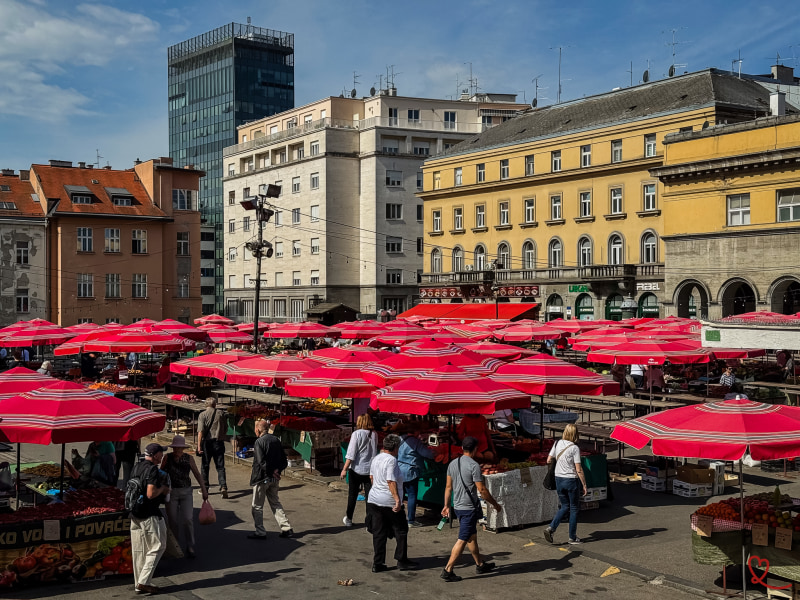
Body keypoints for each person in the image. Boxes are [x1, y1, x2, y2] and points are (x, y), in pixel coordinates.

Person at [440, 436, 502, 582]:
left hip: (458, 506)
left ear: (462, 448)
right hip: (469, 508)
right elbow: (482, 490)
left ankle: (480, 564)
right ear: (475, 449)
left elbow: (448, 487)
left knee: (471, 537)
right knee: (462, 539)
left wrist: (446, 505)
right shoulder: (474, 466)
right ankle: (448, 570)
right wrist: (495, 504)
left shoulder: (453, 463)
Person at [366, 434, 416, 572]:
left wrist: (377, 489)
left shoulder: (376, 458)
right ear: (395, 447)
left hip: (374, 499)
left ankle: (378, 562)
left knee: (379, 532)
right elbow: (390, 481)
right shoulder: (391, 461)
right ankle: (401, 559)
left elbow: (371, 477)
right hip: (388, 500)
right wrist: (397, 500)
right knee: (401, 529)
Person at [130, 443, 170, 595]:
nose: (162, 457)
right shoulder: (152, 469)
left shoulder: (137, 466)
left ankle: (138, 582)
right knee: (158, 545)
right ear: (156, 455)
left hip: (135, 513)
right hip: (149, 513)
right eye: (161, 454)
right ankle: (144, 581)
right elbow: (151, 494)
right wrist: (163, 489)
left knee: (139, 549)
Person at [161, 435, 208, 558]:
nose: (177, 450)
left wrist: (204, 489)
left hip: (186, 491)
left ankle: (190, 545)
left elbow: (197, 474)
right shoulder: (167, 457)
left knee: (188, 519)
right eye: (175, 448)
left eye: (179, 448)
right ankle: (175, 546)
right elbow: (161, 473)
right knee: (173, 521)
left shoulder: (189, 458)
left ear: (183, 448)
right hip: (171, 492)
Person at [543, 424, 588, 545]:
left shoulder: (557, 443)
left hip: (558, 478)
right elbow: (578, 469)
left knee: (564, 506)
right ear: (575, 434)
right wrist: (584, 484)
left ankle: (551, 528)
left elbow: (548, 460)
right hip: (570, 479)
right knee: (574, 508)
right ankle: (572, 537)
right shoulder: (574, 448)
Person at [248, 419, 292, 540]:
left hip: (262, 478)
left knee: (257, 506)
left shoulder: (259, 442)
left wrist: (271, 471)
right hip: (274, 479)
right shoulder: (275, 440)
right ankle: (286, 527)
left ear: (258, 429)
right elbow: (284, 460)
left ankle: (260, 531)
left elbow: (261, 462)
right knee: (275, 502)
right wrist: (277, 471)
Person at [341, 413, 379, 527]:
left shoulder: (357, 434)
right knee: (369, 497)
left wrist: (344, 469)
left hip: (357, 469)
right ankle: (369, 522)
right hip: (370, 470)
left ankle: (349, 518)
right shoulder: (374, 434)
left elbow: (351, 454)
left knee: (352, 495)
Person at [397, 429, 435, 527]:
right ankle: (411, 520)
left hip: (399, 470)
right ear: (415, 431)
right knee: (411, 495)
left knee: (400, 495)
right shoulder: (415, 441)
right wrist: (435, 452)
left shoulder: (400, 439)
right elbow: (428, 454)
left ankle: (397, 518)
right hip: (411, 471)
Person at [196, 397, 229, 498]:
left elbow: (200, 431)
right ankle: (223, 486)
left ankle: (205, 487)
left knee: (205, 466)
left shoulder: (202, 415)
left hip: (207, 443)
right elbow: (226, 428)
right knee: (220, 466)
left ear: (206, 404)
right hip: (219, 442)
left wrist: (198, 446)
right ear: (215, 404)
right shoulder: (221, 413)